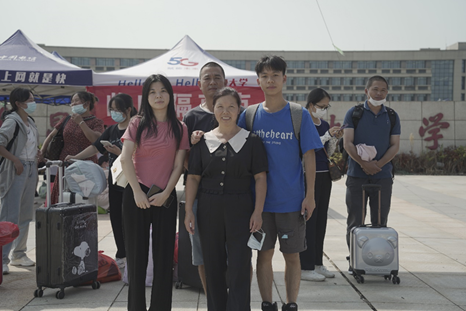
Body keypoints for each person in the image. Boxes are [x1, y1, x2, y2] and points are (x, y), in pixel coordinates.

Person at [237, 56, 323, 311]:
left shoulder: (299, 115)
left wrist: (310, 195)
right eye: (265, 75)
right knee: (263, 256)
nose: (270, 80)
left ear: (284, 78)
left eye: (275, 75)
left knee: (292, 256)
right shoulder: (249, 115)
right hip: (259, 205)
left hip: (291, 202)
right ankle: (267, 304)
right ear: (258, 80)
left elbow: (309, 157)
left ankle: (291, 304)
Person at [185, 87, 268, 311]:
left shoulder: (251, 141)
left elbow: (260, 178)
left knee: (241, 263)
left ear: (239, 109)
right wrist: (189, 211)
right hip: (208, 207)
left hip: (241, 207)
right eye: (220, 106)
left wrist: (258, 212)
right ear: (213, 110)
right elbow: (193, 178)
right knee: (212, 264)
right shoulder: (202, 141)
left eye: (231, 106)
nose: (225, 111)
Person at [120, 74, 189, 311]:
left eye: (163, 91)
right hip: (136, 197)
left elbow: (179, 165)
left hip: (165, 198)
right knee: (137, 259)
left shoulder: (180, 127)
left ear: (170, 95)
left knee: (163, 259)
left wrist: (167, 193)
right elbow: (125, 158)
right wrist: (138, 193)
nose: (158, 96)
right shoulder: (137, 123)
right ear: (146, 97)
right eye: (152, 92)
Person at [65, 94, 137, 268]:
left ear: (128, 110)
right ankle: (121, 253)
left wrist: (119, 153)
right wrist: (76, 157)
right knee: (116, 218)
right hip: (115, 178)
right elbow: (94, 147)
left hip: (133, 180)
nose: (115, 113)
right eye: (112, 110)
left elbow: (140, 157)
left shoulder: (136, 129)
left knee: (130, 217)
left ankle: (134, 252)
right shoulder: (111, 130)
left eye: (118, 110)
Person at [342, 75, 401, 271]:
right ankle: (355, 261)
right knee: (355, 219)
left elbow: (394, 145)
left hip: (383, 177)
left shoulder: (392, 116)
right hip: (356, 175)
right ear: (366, 91)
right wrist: (363, 164)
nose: (379, 93)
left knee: (380, 221)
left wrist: (378, 165)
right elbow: (347, 142)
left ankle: (378, 261)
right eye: (375, 89)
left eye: (383, 90)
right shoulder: (354, 113)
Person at [182, 61, 227, 294]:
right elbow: (183, 158)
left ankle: (234, 300)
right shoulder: (191, 118)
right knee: (201, 254)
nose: (212, 82)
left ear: (225, 82)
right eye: (207, 78)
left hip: (232, 196)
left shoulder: (236, 115)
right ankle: (213, 300)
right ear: (199, 84)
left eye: (217, 77)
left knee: (236, 253)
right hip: (199, 197)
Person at [299, 88, 342, 282]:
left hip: (325, 175)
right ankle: (305, 266)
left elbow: (328, 150)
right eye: (321, 106)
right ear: (310, 105)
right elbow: (309, 145)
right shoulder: (302, 121)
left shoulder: (323, 123)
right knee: (309, 220)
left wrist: (334, 138)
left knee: (321, 220)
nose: (323, 110)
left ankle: (317, 262)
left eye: (326, 107)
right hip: (309, 175)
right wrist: (326, 136)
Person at [0, 88, 41, 274]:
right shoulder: (12, 121)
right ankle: (2, 259)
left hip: (31, 167)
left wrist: (36, 155)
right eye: (29, 99)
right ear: (18, 103)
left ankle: (19, 253)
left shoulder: (30, 121)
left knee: (25, 214)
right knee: (10, 215)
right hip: (16, 169)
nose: (33, 102)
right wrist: (15, 160)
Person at [41, 91, 104, 204]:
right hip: (65, 163)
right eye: (72, 102)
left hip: (85, 166)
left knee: (83, 197)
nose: (73, 104)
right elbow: (51, 135)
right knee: (62, 195)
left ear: (86, 103)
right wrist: (42, 153)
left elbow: (95, 140)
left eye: (76, 101)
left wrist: (81, 122)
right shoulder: (66, 119)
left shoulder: (96, 122)